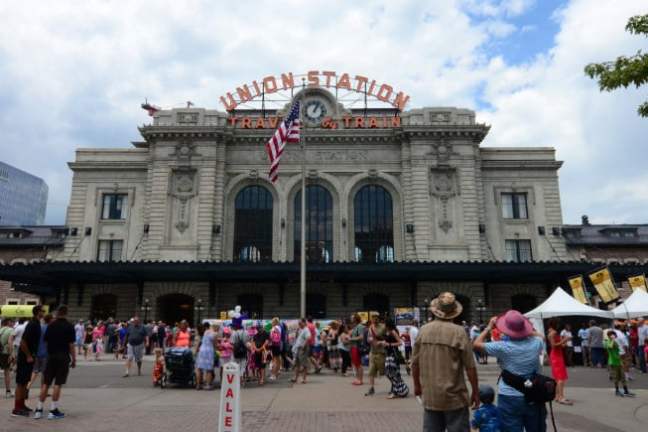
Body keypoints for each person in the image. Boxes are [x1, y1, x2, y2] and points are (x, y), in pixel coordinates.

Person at [412, 292, 479, 432]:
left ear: (435, 310)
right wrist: (475, 392)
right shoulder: (459, 332)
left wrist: (417, 385)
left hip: (431, 397)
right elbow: (470, 367)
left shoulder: (423, 331)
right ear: (454, 313)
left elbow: (415, 363)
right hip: (455, 398)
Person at [473, 311, 546, 432]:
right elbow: (541, 336)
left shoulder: (502, 347)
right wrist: (527, 330)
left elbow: (476, 344)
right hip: (533, 394)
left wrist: (489, 327)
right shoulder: (536, 343)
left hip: (509, 396)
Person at [33, 305, 76, 420]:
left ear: (57, 312)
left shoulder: (51, 325)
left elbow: (46, 341)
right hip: (63, 357)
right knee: (58, 383)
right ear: (66, 313)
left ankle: (39, 409)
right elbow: (71, 345)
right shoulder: (69, 326)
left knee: (46, 383)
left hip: (51, 357)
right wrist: (74, 359)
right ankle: (53, 410)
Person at [13, 305, 44, 417]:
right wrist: (28, 356)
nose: (44, 312)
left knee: (25, 381)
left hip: (29, 357)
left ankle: (21, 404)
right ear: (37, 312)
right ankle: (17, 408)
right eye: (42, 311)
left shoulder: (36, 323)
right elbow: (22, 342)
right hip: (25, 357)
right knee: (21, 383)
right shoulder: (32, 324)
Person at [548, 319, 572, 405]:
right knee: (560, 377)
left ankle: (558, 396)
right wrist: (564, 340)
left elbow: (558, 345)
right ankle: (561, 397)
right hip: (556, 356)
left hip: (557, 355)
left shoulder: (552, 332)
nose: (558, 325)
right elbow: (553, 345)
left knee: (558, 377)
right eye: (557, 324)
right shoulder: (553, 333)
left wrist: (563, 343)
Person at [605, 330, 635, 397]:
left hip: (619, 361)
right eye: (612, 335)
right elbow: (610, 347)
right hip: (613, 362)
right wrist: (612, 339)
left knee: (623, 377)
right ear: (609, 336)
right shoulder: (608, 342)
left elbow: (620, 350)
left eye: (614, 335)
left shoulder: (615, 342)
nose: (613, 336)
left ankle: (626, 390)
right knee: (616, 377)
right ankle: (617, 390)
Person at [27, 313, 53, 394]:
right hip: (46, 353)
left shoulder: (40, 327)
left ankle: (28, 387)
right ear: (50, 320)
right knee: (44, 373)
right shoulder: (50, 328)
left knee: (35, 371)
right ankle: (43, 390)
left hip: (37, 352)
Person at [384, 318, 408, 399]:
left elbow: (400, 342)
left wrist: (389, 344)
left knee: (392, 374)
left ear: (388, 325)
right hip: (389, 354)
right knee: (390, 373)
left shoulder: (393, 331)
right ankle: (398, 389)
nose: (384, 325)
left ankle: (396, 391)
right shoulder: (389, 332)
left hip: (393, 355)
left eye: (385, 324)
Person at [364, 313, 386, 397]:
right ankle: (371, 388)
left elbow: (387, 337)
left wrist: (382, 342)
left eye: (376, 317)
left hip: (381, 353)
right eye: (373, 318)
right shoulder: (370, 328)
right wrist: (370, 340)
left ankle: (394, 385)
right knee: (371, 371)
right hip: (372, 352)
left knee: (384, 372)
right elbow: (368, 339)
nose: (374, 319)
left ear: (378, 318)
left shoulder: (383, 327)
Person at [195, 322, 219, 390]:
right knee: (209, 369)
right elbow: (215, 345)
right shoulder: (215, 334)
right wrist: (217, 350)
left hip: (202, 350)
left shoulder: (205, 331)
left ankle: (198, 385)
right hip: (209, 351)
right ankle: (208, 385)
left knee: (199, 368)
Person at [291, 318, 311, 384]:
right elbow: (298, 339)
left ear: (304, 323)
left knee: (304, 364)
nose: (299, 324)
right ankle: (296, 378)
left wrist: (303, 346)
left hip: (302, 348)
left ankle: (304, 379)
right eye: (298, 323)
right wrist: (297, 332)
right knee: (297, 364)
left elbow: (308, 338)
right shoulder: (301, 329)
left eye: (300, 323)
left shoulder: (306, 329)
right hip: (298, 348)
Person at [230, 318, 248, 385]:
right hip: (243, 351)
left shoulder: (234, 333)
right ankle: (241, 379)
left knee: (235, 365)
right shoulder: (245, 332)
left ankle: (236, 380)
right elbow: (247, 342)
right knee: (242, 366)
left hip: (236, 351)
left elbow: (232, 343)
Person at [349, 313, 365, 385]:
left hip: (357, 347)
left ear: (355, 318)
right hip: (353, 347)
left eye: (352, 317)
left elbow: (361, 337)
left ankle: (360, 380)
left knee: (358, 364)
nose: (351, 318)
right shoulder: (355, 327)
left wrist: (351, 339)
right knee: (356, 363)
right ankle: (358, 379)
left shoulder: (360, 326)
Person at [0, 318, 14, 399]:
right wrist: (11, 354)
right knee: (7, 372)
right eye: (11, 322)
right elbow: (10, 342)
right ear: (8, 322)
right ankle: (8, 391)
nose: (13, 323)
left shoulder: (0, 330)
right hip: (5, 353)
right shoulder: (10, 330)